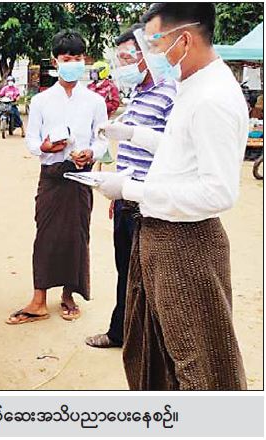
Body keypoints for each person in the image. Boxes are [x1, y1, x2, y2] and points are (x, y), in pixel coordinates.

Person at [96, 3, 247, 390]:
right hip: (163, 236)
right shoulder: (192, 85)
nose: (150, 54)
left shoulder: (212, 97)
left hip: (187, 245)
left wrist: (129, 189)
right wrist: (135, 135)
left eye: (154, 43)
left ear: (184, 40)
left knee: (198, 363)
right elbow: (182, 150)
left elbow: (217, 191)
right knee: (157, 350)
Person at [6, 29, 108, 325]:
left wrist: (90, 152)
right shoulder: (42, 101)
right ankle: (38, 299)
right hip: (51, 176)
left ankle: (69, 294)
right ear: (55, 61)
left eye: (77, 57)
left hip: (80, 176)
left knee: (77, 235)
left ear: (84, 60)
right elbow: (31, 139)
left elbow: (102, 140)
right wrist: (45, 147)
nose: (72, 63)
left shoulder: (94, 101)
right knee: (46, 236)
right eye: (66, 58)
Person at [85, 24, 177, 349]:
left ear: (146, 55)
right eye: (120, 58)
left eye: (127, 57)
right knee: (125, 269)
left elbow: (173, 150)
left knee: (148, 274)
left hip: (148, 200)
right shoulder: (138, 93)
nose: (122, 65)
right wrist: (118, 190)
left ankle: (151, 341)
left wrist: (134, 190)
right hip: (125, 196)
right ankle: (121, 332)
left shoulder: (170, 94)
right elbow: (131, 149)